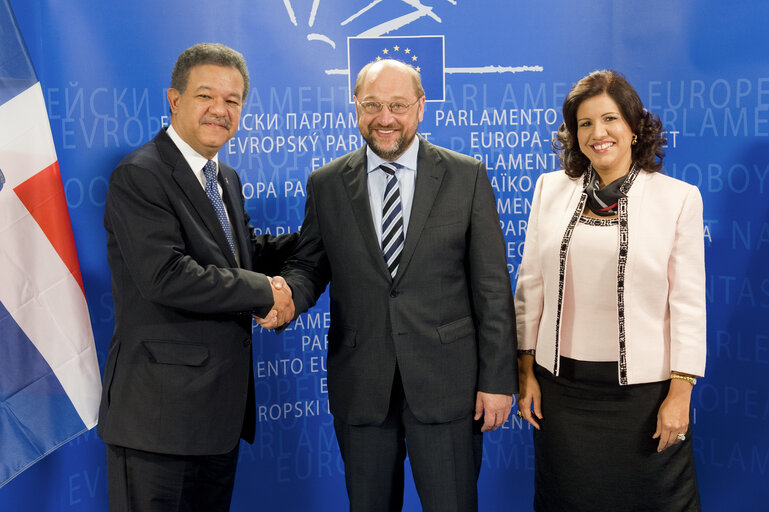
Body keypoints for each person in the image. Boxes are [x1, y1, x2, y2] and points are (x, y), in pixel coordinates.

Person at [270, 59, 517, 512]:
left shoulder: (467, 176)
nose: (385, 118)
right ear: (356, 108)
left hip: (447, 386)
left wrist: (498, 380)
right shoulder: (326, 184)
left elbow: (492, 289)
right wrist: (285, 299)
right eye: (372, 105)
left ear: (421, 108)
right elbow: (310, 266)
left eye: (398, 105)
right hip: (362, 385)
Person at [98, 43, 295, 511]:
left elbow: (244, 255)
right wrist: (264, 291)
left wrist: (324, 239)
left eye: (233, 100)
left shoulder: (225, 177)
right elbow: (167, 275)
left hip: (216, 419)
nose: (220, 110)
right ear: (175, 99)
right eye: (207, 96)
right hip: (158, 423)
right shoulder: (139, 174)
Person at [515, 69, 706, 511]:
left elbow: (688, 303)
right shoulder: (549, 189)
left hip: (644, 396)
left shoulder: (678, 199)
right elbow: (530, 288)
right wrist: (525, 372)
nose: (598, 133)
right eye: (584, 123)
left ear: (635, 128)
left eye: (610, 119)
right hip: (561, 394)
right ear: (573, 133)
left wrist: (681, 393)